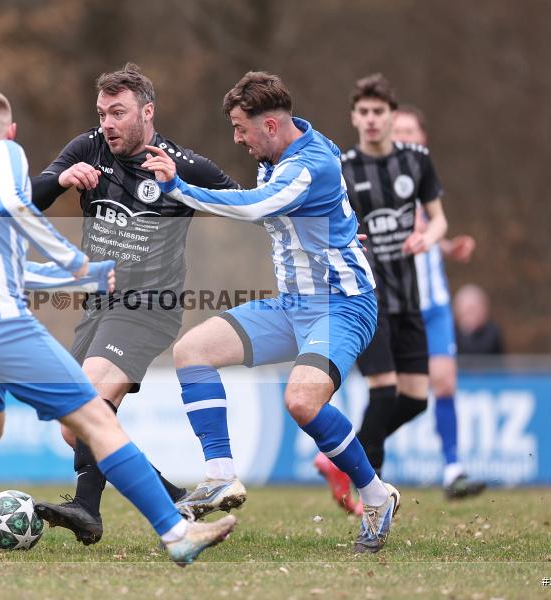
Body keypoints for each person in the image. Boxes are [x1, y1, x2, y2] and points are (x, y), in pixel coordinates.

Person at [0, 88, 236, 569]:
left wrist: (74, 274)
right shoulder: (2, 151)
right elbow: (19, 209)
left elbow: (8, 267)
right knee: (94, 418)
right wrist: (74, 259)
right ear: (11, 131)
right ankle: (177, 531)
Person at [142, 71, 400, 554]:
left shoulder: (309, 164)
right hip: (291, 306)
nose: (236, 138)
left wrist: (178, 187)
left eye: (241, 128)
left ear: (272, 126)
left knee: (302, 402)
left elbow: (258, 207)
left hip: (342, 307)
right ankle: (219, 476)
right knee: (192, 351)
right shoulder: (279, 152)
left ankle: (376, 496)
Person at [29, 63, 239, 545]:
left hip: (150, 306)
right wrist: (61, 181)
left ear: (147, 112)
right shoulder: (87, 149)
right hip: (98, 307)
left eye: (118, 113)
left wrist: (183, 190)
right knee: (75, 428)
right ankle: (173, 499)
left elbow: (247, 207)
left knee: (89, 398)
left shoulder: (181, 163)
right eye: (102, 113)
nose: (107, 123)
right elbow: (26, 201)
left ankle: (87, 509)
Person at [314, 74, 447, 515]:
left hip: (408, 295)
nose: (371, 120)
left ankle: (338, 457)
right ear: (354, 117)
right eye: (364, 112)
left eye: (379, 112)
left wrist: (429, 239)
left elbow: (439, 219)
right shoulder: (344, 170)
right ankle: (373, 498)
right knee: (385, 392)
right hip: (365, 296)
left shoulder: (417, 161)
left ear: (393, 116)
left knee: (415, 398)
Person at [392, 105, 486, 499]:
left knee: (445, 382)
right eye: (399, 132)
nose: (406, 138)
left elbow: (428, 232)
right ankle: (347, 460)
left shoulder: (426, 180)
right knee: (400, 394)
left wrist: (448, 247)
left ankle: (452, 470)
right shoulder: (377, 180)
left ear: (424, 138)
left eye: (412, 131)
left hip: (436, 305)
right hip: (398, 307)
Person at [454, 283, 505, 355]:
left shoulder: (492, 332)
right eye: (467, 310)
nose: (470, 314)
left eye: (473, 309)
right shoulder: (450, 332)